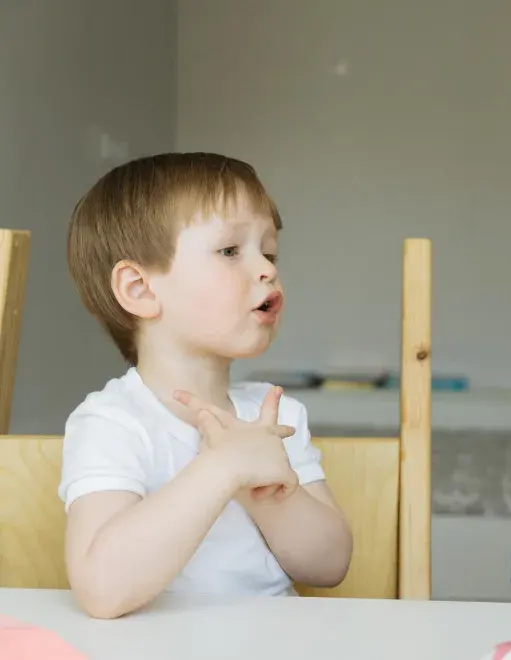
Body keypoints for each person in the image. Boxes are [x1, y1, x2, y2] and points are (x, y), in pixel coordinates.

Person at [60, 153, 353, 619]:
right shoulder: (113, 422)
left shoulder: (274, 415)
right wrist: (221, 469)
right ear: (139, 289)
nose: (267, 269)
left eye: (270, 251)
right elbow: (102, 590)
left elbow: (329, 565)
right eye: (230, 251)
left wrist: (267, 489)